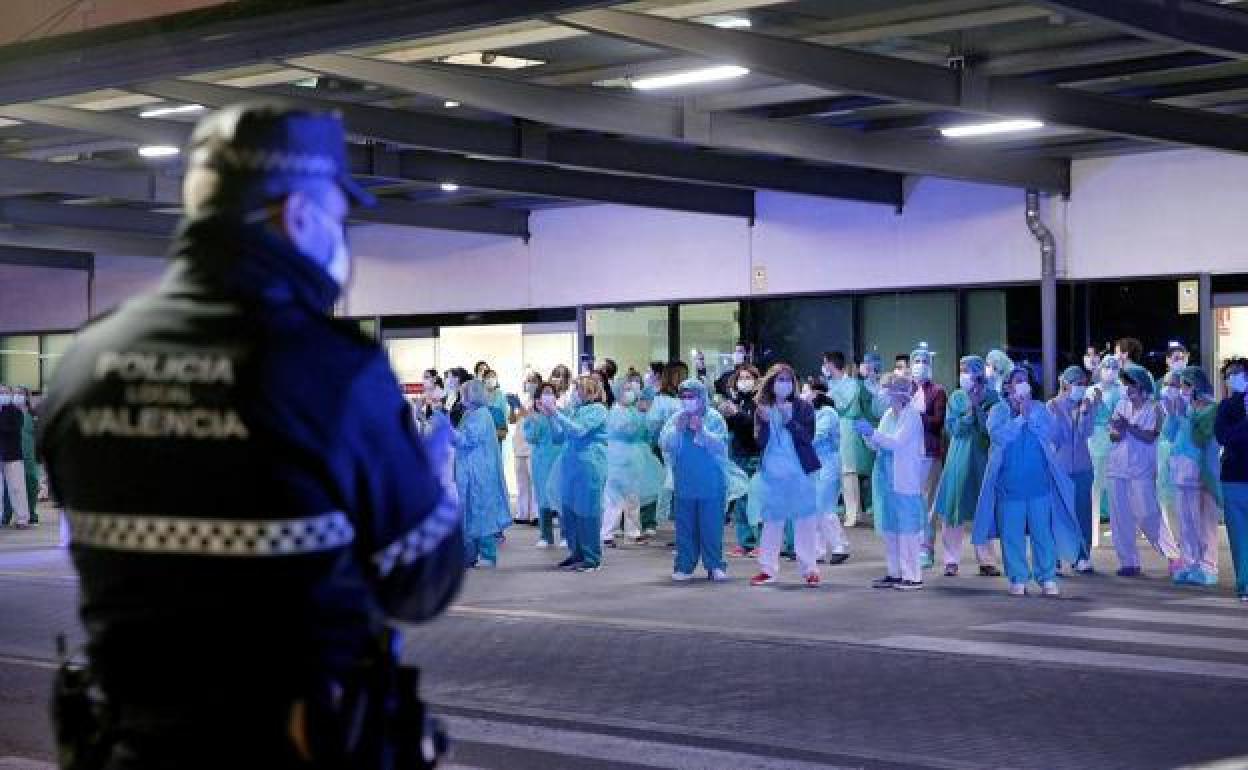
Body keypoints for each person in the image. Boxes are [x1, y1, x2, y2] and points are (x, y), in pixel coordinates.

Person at [38, 105, 463, 768]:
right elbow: (423, 584)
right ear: (297, 215)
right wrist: (429, 487)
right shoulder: (330, 371)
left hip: (127, 746)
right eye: (337, 218)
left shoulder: (84, 363)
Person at [973, 366, 1083, 597]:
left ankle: (1047, 577)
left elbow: (1051, 434)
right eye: (1017, 380)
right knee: (1011, 535)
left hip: (1038, 486)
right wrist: (1019, 417)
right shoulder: (999, 411)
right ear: (1007, 386)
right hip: (1009, 487)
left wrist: (1028, 413)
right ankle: (1018, 577)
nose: (1021, 384)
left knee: (1042, 534)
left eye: (1025, 380)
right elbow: (999, 436)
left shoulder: (1040, 409)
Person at [748, 363, 822, 587]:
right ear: (771, 383)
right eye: (780, 380)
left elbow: (807, 438)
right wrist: (764, 422)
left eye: (788, 380)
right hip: (773, 472)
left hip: (800, 470)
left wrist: (790, 420)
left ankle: (809, 568)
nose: (784, 384)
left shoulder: (803, 408)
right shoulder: (763, 407)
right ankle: (767, 569)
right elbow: (759, 442)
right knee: (772, 521)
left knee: (805, 521)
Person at [1106, 364, 1182, 577]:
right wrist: (1119, 429)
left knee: (1148, 514)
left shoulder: (1155, 408)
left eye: (1132, 385)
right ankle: (1128, 562)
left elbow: (1150, 437)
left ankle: (1173, 555)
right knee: (1120, 518)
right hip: (1117, 468)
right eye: (1126, 385)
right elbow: (1113, 435)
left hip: (1141, 470)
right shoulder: (1121, 404)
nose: (1128, 390)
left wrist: (1127, 426)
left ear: (1142, 387)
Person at [930, 356, 1002, 577]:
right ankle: (951, 559)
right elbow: (954, 430)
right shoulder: (957, 397)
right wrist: (969, 410)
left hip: (982, 458)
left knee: (985, 509)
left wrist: (979, 406)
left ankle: (987, 560)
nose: (964, 375)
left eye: (968, 370)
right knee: (954, 509)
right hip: (959, 458)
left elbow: (991, 431)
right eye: (961, 370)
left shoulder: (993, 398)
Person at [858, 376, 925, 591]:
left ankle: (913, 576)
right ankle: (894, 572)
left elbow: (896, 443)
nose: (883, 393)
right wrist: (866, 435)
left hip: (904, 479)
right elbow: (877, 445)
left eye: (887, 389)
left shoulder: (912, 416)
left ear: (900, 392)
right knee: (891, 529)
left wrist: (873, 433)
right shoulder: (888, 414)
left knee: (907, 529)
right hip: (885, 478)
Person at [661, 378, 731, 581]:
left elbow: (721, 447)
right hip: (685, 481)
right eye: (683, 396)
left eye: (691, 396)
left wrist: (702, 431)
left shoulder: (714, 418)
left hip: (711, 481)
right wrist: (678, 430)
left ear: (702, 397)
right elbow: (665, 444)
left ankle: (715, 564)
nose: (687, 400)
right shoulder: (676, 418)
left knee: (711, 526)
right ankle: (684, 565)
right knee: (685, 526)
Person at [542, 374, 609, 572]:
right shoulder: (575, 411)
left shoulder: (598, 410)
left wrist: (557, 414)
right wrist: (551, 417)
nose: (574, 393)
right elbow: (558, 437)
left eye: (577, 389)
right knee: (570, 509)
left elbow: (579, 431)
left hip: (590, 464)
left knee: (587, 510)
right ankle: (576, 552)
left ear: (590, 391)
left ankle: (591, 557)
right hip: (571, 464)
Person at [1163, 366, 1222, 586]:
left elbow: (1202, 438)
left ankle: (1208, 566)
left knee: (1204, 521)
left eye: (1186, 385)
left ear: (1197, 385)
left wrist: (1184, 416)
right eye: (1180, 385)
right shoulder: (1183, 408)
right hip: (1180, 471)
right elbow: (1168, 435)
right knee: (1185, 521)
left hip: (1202, 472)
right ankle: (1189, 563)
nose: (1182, 389)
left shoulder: (1211, 408)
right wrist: (1172, 415)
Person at [454, 379, 510, 568]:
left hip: (480, 472)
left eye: (464, 394)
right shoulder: (471, 413)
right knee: (470, 512)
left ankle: (487, 554)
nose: (462, 398)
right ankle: (470, 554)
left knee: (481, 513)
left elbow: (467, 440)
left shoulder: (480, 415)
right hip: (471, 471)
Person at [1048, 366, 1097, 574]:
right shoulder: (1052, 406)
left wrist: (1085, 413)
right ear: (1066, 384)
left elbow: (1087, 433)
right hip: (1060, 467)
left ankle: (1081, 556)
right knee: (1058, 514)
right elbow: (1055, 437)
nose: (1080, 387)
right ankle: (1056, 558)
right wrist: (1070, 417)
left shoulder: (1087, 405)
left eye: (1083, 384)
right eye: (1076, 383)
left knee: (1083, 514)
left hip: (1083, 467)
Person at [601, 381, 661, 547]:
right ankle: (607, 533)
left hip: (633, 459)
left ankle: (633, 532)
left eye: (631, 389)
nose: (630, 392)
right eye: (626, 389)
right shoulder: (614, 412)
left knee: (633, 496)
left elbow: (643, 430)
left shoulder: (633, 411)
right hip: (617, 458)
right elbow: (625, 430)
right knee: (613, 497)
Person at [1214, 358, 1248, 602]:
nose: (1231, 378)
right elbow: (1223, 437)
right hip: (1234, 477)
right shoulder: (1226, 406)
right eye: (1228, 375)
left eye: (1236, 373)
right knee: (1238, 537)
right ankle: (1244, 584)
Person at [909, 345, 947, 568]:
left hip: (929, 452)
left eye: (924, 361)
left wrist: (916, 416)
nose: (919, 365)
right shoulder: (906, 389)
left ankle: (927, 547)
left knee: (928, 503)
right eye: (916, 361)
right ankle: (910, 544)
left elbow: (937, 422)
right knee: (910, 500)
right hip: (908, 454)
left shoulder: (937, 391)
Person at [826, 351, 872, 529]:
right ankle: (852, 510)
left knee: (849, 472)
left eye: (826, 363)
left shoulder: (851, 384)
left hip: (847, 427)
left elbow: (842, 404)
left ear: (831, 364)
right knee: (843, 472)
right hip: (836, 427)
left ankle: (853, 513)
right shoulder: (832, 383)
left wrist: (827, 396)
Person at [720, 365, 762, 556]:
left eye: (748, 377)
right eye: (741, 378)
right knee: (739, 500)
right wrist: (727, 414)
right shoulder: (738, 400)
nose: (743, 381)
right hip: (737, 454)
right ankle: (745, 541)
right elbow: (730, 427)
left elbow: (754, 427)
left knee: (756, 499)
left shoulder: (760, 402)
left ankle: (762, 541)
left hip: (754, 454)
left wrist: (736, 414)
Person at [810, 382, 850, 564]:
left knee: (825, 506)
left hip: (828, 464)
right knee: (815, 508)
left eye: (806, 391)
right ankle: (817, 550)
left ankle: (839, 546)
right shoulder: (814, 413)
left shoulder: (828, 413)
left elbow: (817, 435)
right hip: (816, 464)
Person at [647, 361, 688, 532]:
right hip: (669, 448)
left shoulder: (672, 399)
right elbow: (654, 424)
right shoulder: (663, 399)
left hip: (678, 447)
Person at [524, 381, 565, 549]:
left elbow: (562, 435)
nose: (548, 395)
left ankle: (565, 535)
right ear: (538, 397)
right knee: (543, 497)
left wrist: (552, 415)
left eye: (551, 392)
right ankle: (546, 535)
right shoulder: (533, 417)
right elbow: (531, 438)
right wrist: (534, 419)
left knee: (561, 497)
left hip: (560, 459)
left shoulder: (562, 414)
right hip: (541, 461)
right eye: (545, 392)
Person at [1087, 355, 1123, 528]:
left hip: (1112, 437)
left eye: (1114, 367)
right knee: (1094, 475)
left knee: (1111, 476)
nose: (1110, 371)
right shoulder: (1090, 390)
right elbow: (1085, 413)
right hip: (1093, 437)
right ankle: (1096, 512)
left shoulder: (1121, 390)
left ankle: (1110, 512)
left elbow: (1120, 416)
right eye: (1106, 367)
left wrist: (1102, 404)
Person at [1, 386, 38, 527]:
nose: (2, 395)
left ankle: (22, 518)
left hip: (13, 454)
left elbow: (11, 429)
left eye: (5, 392)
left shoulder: (16, 411)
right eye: (0, 392)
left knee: (17, 488)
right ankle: (2, 517)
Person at [510, 372, 542, 526]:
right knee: (521, 481)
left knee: (535, 480)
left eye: (533, 381)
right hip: (519, 444)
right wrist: (512, 407)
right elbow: (513, 419)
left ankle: (536, 513)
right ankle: (522, 512)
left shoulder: (540, 401)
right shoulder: (524, 399)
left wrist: (520, 407)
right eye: (528, 380)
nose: (530, 383)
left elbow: (532, 418)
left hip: (532, 445)